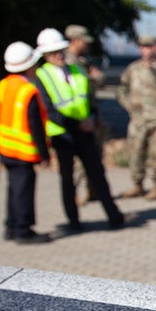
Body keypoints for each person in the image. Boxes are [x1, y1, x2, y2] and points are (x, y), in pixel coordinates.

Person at [34, 27, 127, 231]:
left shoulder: (78, 70)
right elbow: (49, 110)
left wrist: (92, 119)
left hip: (85, 132)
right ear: (45, 55)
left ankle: (115, 216)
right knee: (68, 180)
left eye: (60, 50)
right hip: (63, 135)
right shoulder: (42, 76)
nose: (59, 55)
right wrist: (78, 124)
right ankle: (73, 221)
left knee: (98, 175)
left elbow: (90, 100)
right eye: (53, 52)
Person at [0, 42, 52, 244]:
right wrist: (44, 154)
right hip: (22, 151)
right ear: (29, 66)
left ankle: (11, 227)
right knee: (23, 191)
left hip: (5, 147)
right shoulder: (28, 91)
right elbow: (35, 125)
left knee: (13, 190)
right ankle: (23, 230)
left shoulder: (4, 84)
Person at [117, 35, 156, 201]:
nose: (145, 50)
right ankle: (137, 184)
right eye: (142, 47)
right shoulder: (133, 68)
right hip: (138, 118)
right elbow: (121, 89)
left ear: (155, 48)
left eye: (149, 46)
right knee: (136, 152)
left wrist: (154, 73)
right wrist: (128, 104)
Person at [65, 25, 108, 206]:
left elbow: (100, 81)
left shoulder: (83, 61)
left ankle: (92, 190)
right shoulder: (66, 62)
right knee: (76, 160)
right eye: (85, 41)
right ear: (75, 40)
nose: (87, 45)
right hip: (74, 117)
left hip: (90, 114)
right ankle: (74, 194)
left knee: (95, 154)